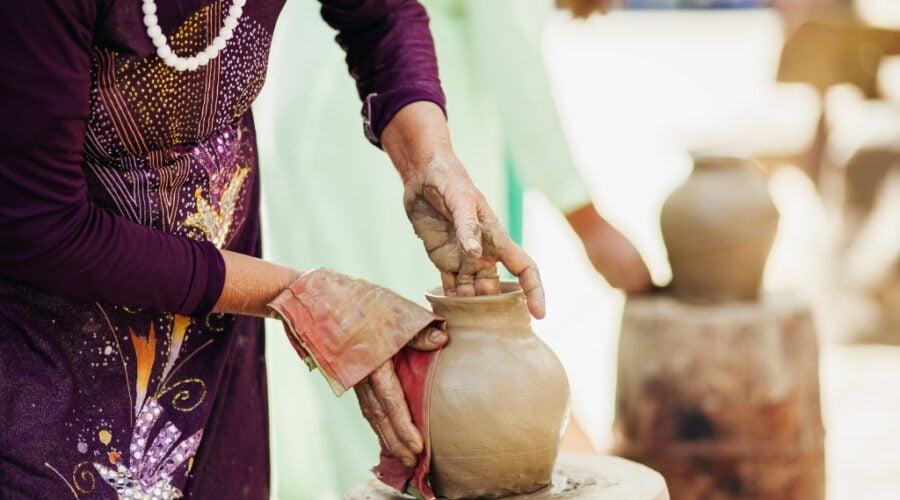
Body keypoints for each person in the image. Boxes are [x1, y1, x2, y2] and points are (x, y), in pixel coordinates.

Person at [0, 1, 544, 497]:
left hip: (212, 330)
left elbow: (382, 15)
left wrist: (429, 157)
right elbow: (39, 224)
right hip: (46, 349)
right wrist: (300, 296)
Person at [255, 0, 651, 497]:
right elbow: (515, 67)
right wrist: (585, 218)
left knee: (374, 354)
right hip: (377, 139)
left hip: (326, 110)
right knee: (403, 356)